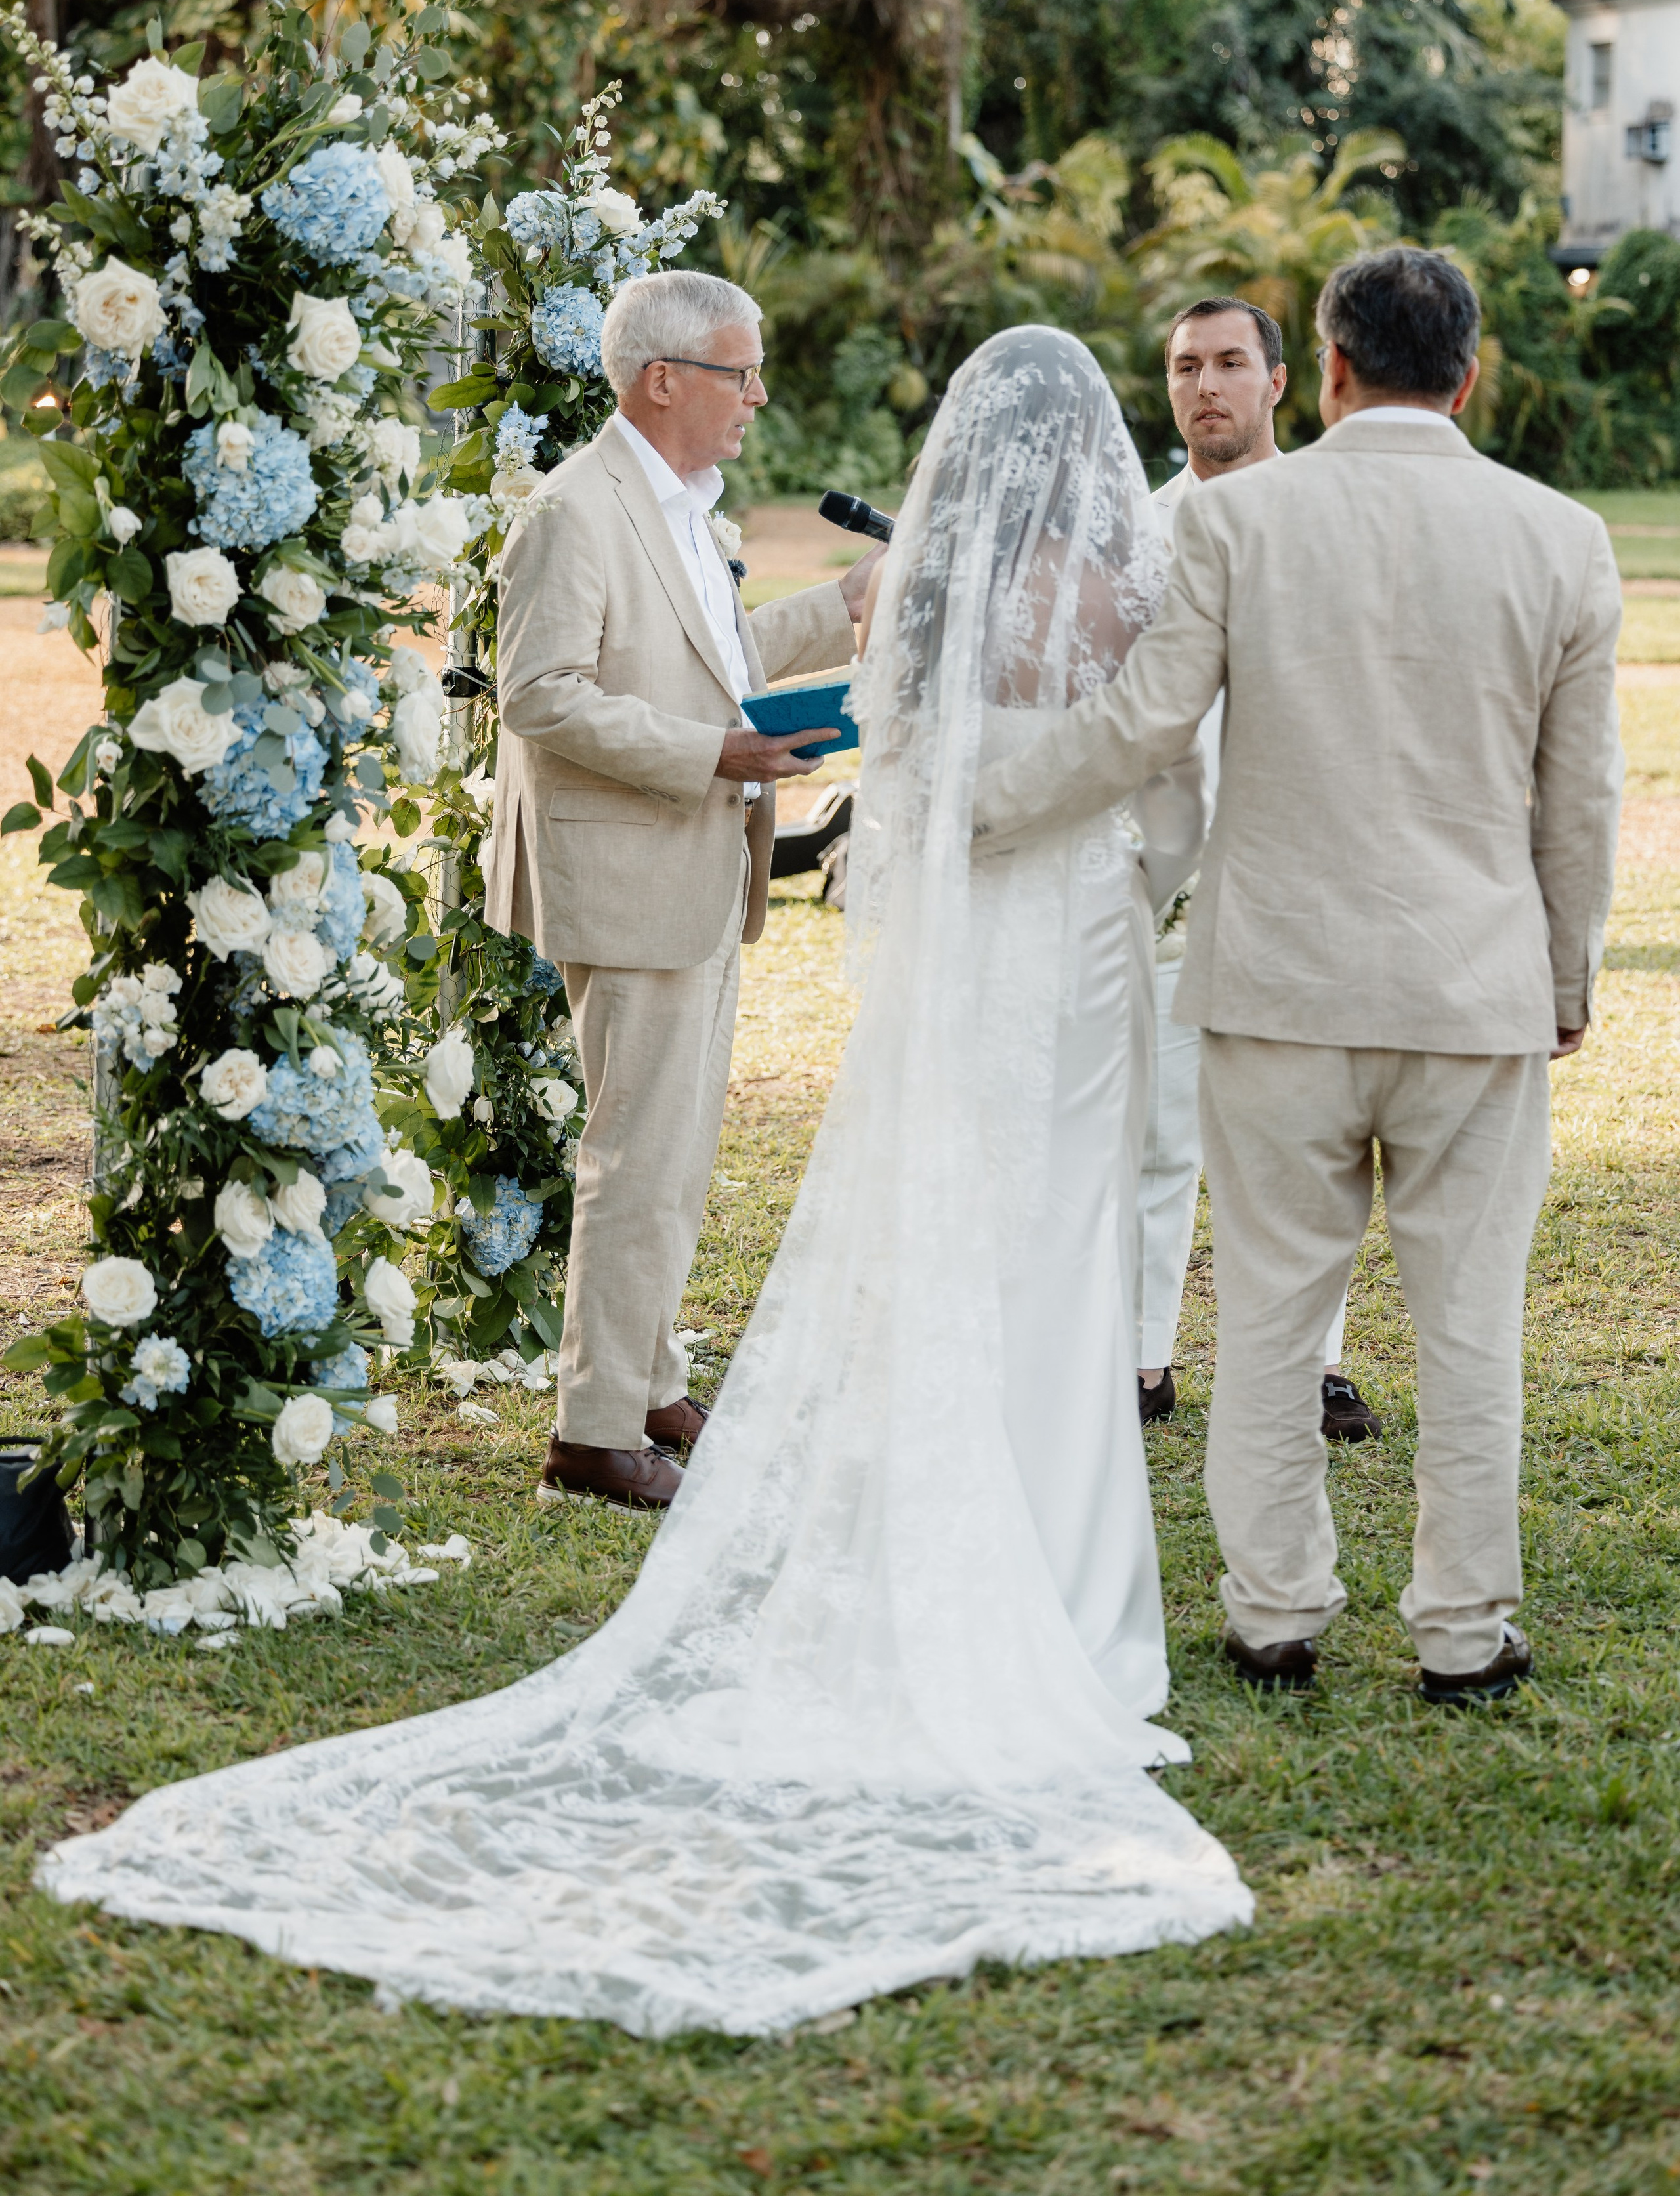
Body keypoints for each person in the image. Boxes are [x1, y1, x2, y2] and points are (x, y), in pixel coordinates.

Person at [40, 327, 1248, 2037]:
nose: (754, 392)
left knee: (948, 1242)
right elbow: (1161, 778)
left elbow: (880, 754)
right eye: (737, 371)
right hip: (1064, 947)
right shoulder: (1113, 595)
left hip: (968, 964)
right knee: (1048, 1257)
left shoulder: (924, 590)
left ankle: (916, 1536)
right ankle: (1040, 1589)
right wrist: (1131, 861)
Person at [973, 250, 1622, 1706]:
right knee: (1471, 1329)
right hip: (1474, 993)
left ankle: (1273, 1615)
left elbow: (1142, 728)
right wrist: (1565, 977)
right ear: (1469, 375)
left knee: (1267, 1316)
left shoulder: (1236, 519)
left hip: (1275, 986)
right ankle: (1463, 1631)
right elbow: (1578, 799)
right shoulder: (1563, 537)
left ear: (1322, 371)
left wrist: (978, 810)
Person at [484, 270, 879, 1511]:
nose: (757, 396)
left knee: (678, 1151)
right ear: (664, 380)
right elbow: (540, 695)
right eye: (740, 373)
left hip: (698, 865)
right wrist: (716, 754)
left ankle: (649, 1379)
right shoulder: (575, 510)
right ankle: (594, 1431)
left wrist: (844, 607)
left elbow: (720, 655)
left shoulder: (683, 505)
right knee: (635, 1154)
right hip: (627, 867)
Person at [1137, 297, 1379, 1448]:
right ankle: (1143, 1357)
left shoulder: (1338, 518)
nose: (1207, 386)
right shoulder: (1134, 533)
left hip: (1307, 885)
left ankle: (1313, 1365)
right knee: (1155, 1140)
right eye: (1187, 366)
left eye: (1231, 362)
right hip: (1166, 889)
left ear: (1282, 381)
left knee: (1305, 1150)